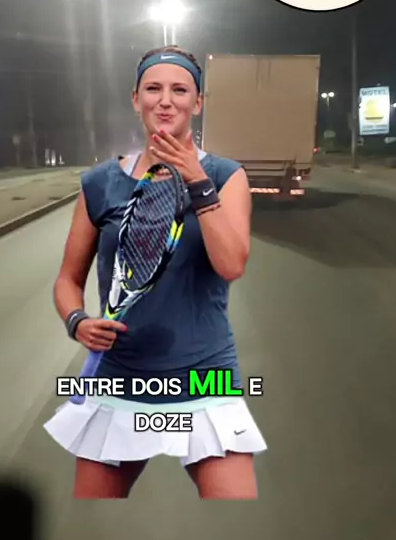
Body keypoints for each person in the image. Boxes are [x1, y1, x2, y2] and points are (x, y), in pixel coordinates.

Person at [44, 45, 267, 499]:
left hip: (206, 377)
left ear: (197, 103)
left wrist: (196, 181)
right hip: (119, 376)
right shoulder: (99, 184)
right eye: (153, 89)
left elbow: (231, 265)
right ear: (136, 99)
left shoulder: (226, 176)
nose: (165, 101)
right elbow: (68, 280)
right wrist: (77, 321)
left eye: (180, 90)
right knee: (91, 528)